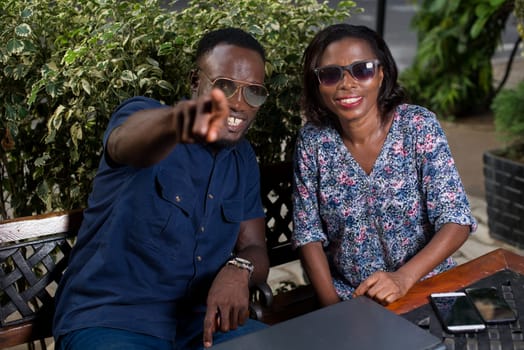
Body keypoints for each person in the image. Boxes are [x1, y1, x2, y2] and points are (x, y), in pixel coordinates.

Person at [53, 27, 271, 350]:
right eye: (225, 87)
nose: (239, 103)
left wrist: (240, 269)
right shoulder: (145, 118)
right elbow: (124, 142)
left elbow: (255, 248)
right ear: (195, 81)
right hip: (112, 320)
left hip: (200, 326)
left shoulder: (242, 159)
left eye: (253, 92)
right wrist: (177, 122)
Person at [292, 23, 477, 308]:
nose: (346, 83)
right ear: (317, 85)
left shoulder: (417, 126)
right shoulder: (313, 141)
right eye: (330, 75)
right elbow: (308, 234)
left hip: (427, 285)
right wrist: (333, 309)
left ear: (381, 73)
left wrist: (403, 278)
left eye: (361, 69)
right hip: (351, 298)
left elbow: (456, 219)